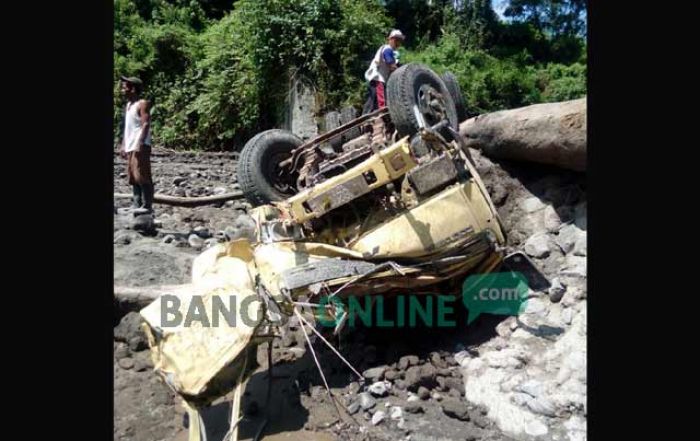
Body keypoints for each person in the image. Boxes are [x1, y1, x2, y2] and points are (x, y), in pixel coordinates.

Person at [120, 76, 153, 215]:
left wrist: (140, 142)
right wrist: (123, 144)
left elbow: (145, 123)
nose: (122, 89)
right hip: (131, 145)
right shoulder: (129, 105)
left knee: (143, 174)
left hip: (140, 144)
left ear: (132, 89)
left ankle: (147, 205)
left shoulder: (142, 103)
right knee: (133, 175)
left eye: (125, 86)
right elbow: (128, 128)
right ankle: (136, 203)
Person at [362, 29, 405, 115]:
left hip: (378, 79)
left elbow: (395, 65)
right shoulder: (387, 49)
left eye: (400, 41)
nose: (398, 43)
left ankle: (366, 116)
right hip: (378, 78)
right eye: (397, 40)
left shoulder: (392, 52)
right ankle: (381, 115)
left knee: (372, 98)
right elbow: (391, 64)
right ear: (392, 39)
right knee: (380, 99)